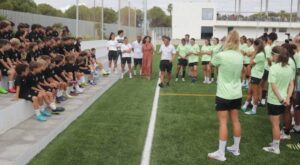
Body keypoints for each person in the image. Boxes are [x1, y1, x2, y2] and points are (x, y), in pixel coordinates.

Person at [208, 30, 243, 162]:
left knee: (223, 123)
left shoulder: (221, 55)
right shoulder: (240, 56)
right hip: (236, 93)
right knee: (235, 120)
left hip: (223, 94)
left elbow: (211, 64)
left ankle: (221, 153)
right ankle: (236, 148)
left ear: (227, 41)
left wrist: (220, 49)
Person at [263, 46, 294, 154]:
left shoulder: (273, 68)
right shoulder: (289, 68)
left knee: (275, 125)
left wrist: (282, 99)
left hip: (275, 100)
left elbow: (274, 86)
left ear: (277, 56)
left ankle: (275, 148)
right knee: (277, 123)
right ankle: (275, 142)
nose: (271, 56)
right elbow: (291, 84)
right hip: (283, 100)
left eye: (272, 54)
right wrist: (287, 98)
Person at [242, 39, 266, 115]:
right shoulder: (260, 53)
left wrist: (253, 54)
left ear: (256, 46)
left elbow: (251, 62)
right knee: (250, 91)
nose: (253, 46)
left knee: (255, 93)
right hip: (254, 75)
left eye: (254, 45)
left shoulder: (260, 55)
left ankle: (254, 109)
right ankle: (245, 106)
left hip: (256, 76)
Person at [260, 32, 278, 106]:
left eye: (268, 38)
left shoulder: (268, 47)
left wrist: (270, 66)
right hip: (272, 68)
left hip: (267, 69)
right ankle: (264, 100)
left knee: (261, 85)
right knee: (267, 85)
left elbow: (268, 59)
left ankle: (261, 100)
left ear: (270, 39)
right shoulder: (275, 46)